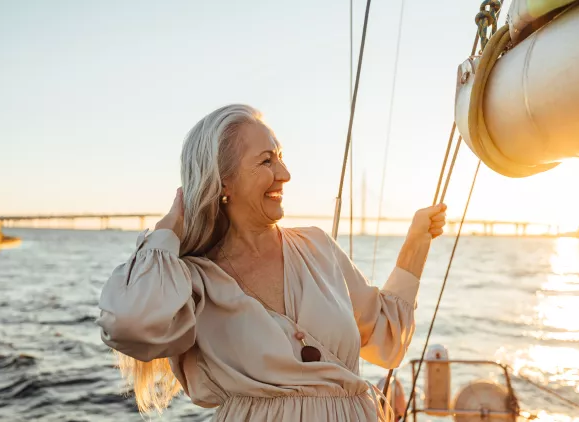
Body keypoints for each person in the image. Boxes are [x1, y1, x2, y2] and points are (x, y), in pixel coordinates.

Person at [96, 104, 447, 421]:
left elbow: (387, 338)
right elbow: (129, 325)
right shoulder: (192, 282)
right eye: (267, 161)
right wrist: (166, 232)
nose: (285, 173)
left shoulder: (317, 247)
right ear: (223, 181)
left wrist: (416, 242)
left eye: (280, 157)